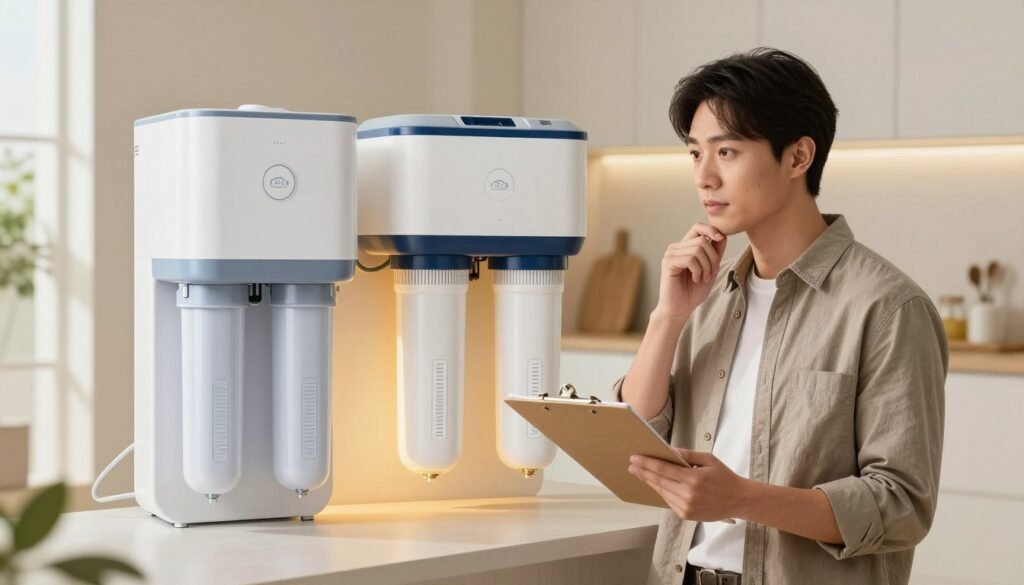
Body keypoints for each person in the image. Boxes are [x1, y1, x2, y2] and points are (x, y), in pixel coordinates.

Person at [614, 48, 948, 585]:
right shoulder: (707, 297)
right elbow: (637, 441)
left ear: (797, 158)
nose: (704, 177)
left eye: (727, 152)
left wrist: (743, 498)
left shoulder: (888, 308)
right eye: (695, 154)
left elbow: (901, 505)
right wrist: (666, 317)